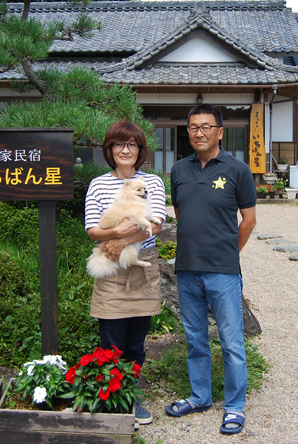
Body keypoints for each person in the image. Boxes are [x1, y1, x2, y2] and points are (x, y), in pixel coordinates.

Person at [166, 104, 257, 435]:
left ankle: (234, 406)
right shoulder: (178, 170)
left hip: (223, 271)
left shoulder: (238, 170)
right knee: (195, 338)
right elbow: (181, 213)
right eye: (193, 127)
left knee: (231, 341)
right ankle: (200, 396)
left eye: (206, 126)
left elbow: (249, 220)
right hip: (187, 267)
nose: (199, 133)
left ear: (220, 132)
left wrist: (228, 253)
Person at [84, 121, 167, 427]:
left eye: (132, 144)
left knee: (135, 343)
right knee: (111, 342)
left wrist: (121, 240)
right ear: (110, 149)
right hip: (110, 267)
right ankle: (111, 400)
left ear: (140, 150)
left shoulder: (152, 182)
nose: (125, 150)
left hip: (141, 264)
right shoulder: (98, 185)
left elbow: (156, 224)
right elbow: (92, 230)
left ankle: (131, 396)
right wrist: (115, 234)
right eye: (119, 144)